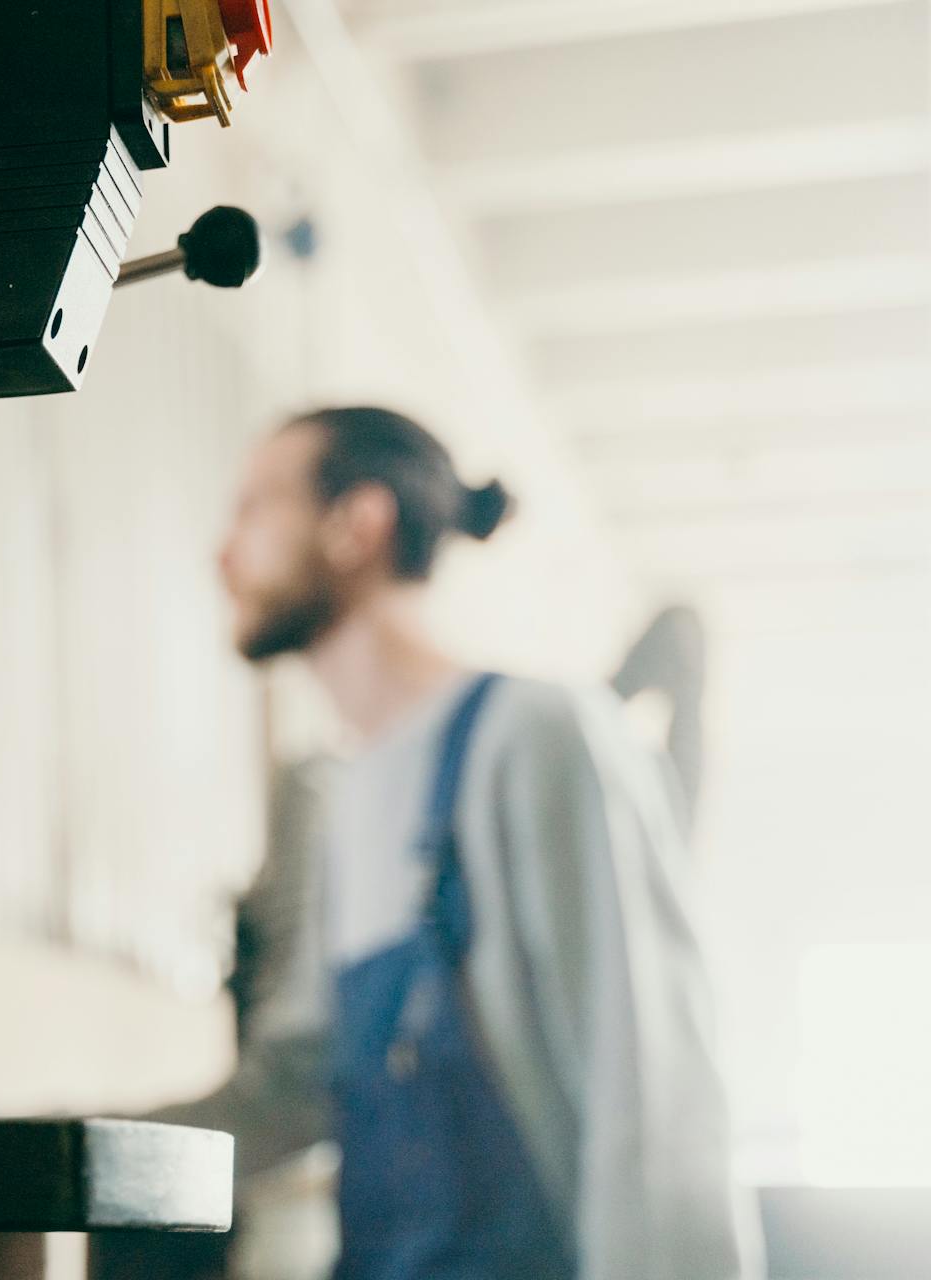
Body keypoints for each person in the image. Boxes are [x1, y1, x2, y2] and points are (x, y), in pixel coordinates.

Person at [208, 405, 759, 1278]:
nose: (222, 553)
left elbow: (653, 1108)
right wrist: (22, 1140)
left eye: (253, 508)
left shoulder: (535, 735)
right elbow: (293, 1090)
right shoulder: (347, 800)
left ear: (359, 524)